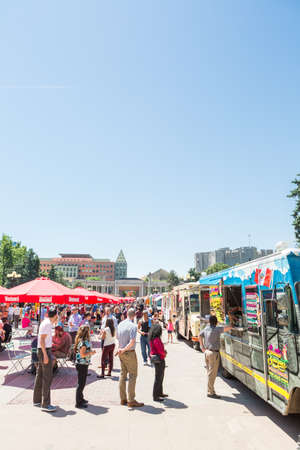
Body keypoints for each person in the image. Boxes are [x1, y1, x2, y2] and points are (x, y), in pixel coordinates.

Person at [199, 314, 231, 399]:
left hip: (206, 352)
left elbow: (199, 335)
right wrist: (232, 323)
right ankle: (210, 392)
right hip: (213, 354)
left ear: (209, 322)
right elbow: (228, 328)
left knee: (209, 372)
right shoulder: (217, 329)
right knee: (212, 374)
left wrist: (202, 347)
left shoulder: (206, 328)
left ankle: (210, 390)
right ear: (216, 322)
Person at [116, 308, 144, 408]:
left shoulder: (120, 324)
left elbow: (117, 338)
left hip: (121, 352)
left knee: (123, 374)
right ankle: (131, 400)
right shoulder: (133, 326)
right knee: (132, 375)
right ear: (134, 316)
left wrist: (120, 348)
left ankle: (123, 398)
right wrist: (123, 349)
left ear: (127, 314)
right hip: (128, 352)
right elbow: (132, 342)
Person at [33, 308, 58, 412]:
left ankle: (37, 400)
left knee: (40, 375)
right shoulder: (47, 324)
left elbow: (43, 339)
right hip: (44, 351)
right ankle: (45, 404)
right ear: (55, 315)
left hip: (43, 350)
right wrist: (45, 355)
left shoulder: (46, 322)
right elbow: (42, 339)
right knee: (47, 377)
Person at [74, 325, 96, 408]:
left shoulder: (83, 341)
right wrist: (90, 353)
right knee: (81, 383)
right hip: (81, 364)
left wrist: (90, 352)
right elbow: (82, 354)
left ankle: (81, 398)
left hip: (83, 364)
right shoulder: (83, 342)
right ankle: (78, 402)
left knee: (82, 383)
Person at [149, 323, 168, 402]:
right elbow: (160, 350)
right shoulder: (156, 339)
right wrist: (164, 353)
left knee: (160, 377)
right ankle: (156, 396)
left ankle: (160, 393)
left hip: (158, 358)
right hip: (159, 359)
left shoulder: (152, 338)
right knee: (158, 377)